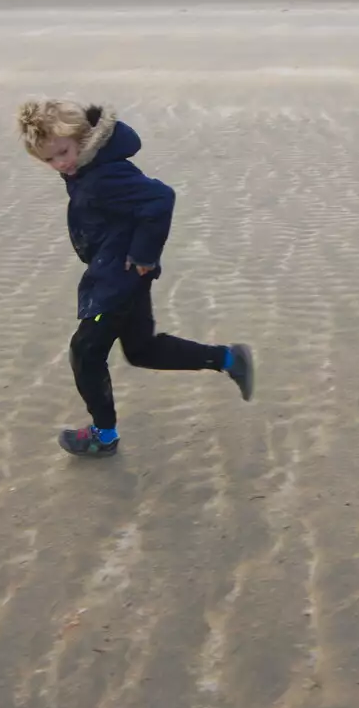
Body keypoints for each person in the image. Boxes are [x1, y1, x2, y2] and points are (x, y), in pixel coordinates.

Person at [15, 97, 255, 457]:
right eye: (49, 160)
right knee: (142, 349)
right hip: (118, 273)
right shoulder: (86, 166)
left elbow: (160, 198)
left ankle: (103, 435)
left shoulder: (105, 173)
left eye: (62, 152)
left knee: (86, 351)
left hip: (116, 281)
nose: (59, 164)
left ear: (82, 137)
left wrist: (144, 254)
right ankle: (229, 359)